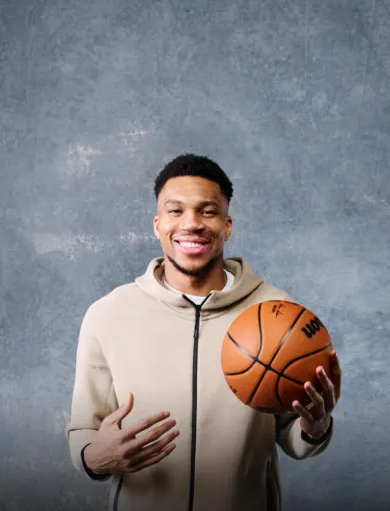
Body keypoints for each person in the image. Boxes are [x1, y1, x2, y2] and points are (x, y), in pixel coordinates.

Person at [66, 153, 341, 511]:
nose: (191, 223)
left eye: (207, 211)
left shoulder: (277, 310)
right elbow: (85, 429)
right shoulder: (108, 314)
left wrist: (315, 427)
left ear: (227, 225)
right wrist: (92, 457)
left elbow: (294, 434)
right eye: (175, 210)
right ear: (157, 224)